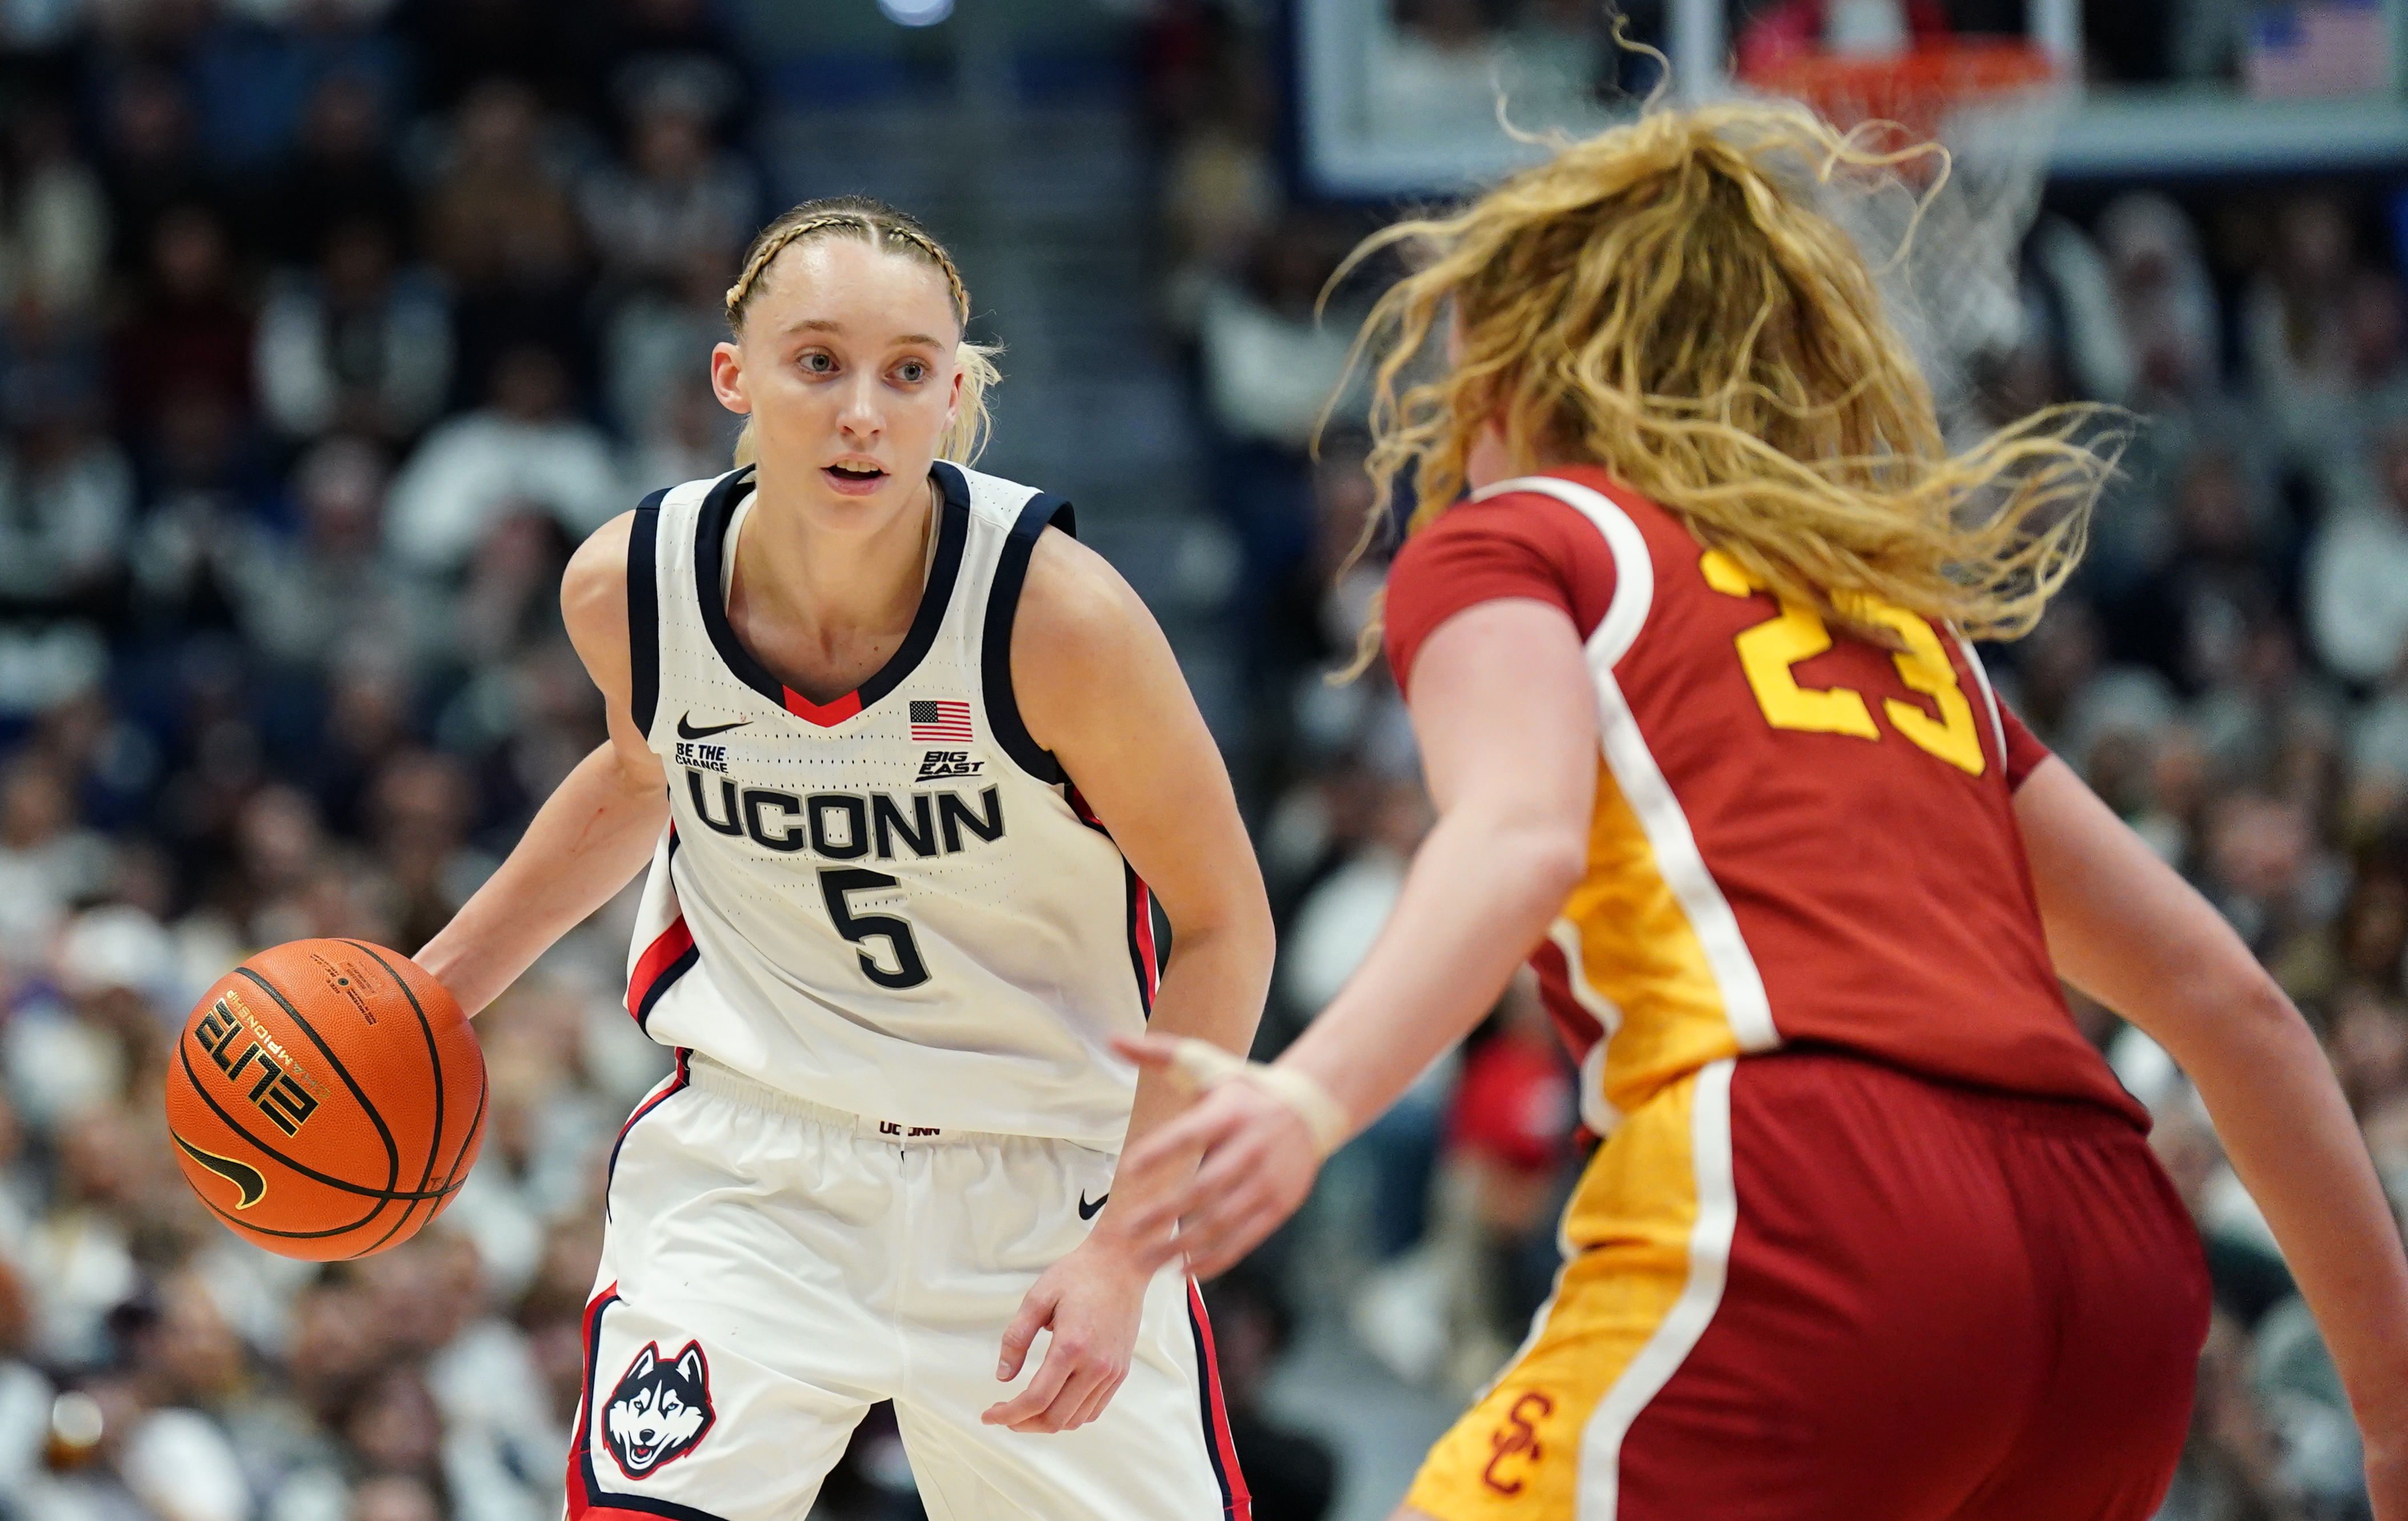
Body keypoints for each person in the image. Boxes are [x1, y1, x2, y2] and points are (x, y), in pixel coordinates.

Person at [1117, 103, 2408, 1520]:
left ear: (1527, 366)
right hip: (2109, 1270)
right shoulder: (1903, 633)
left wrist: (1310, 1096)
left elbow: (1519, 834)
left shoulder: (1530, 534)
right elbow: (2230, 1000)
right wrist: (2393, 1406)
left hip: (1811, 1193)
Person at [416, 197, 1269, 1520]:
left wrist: (1124, 1249)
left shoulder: (1059, 622)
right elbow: (646, 774)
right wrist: (432, 990)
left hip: (1043, 1179)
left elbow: (1226, 925)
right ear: (733, 377)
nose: (861, 409)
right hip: (759, 1168)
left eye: (908, 372)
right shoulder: (628, 588)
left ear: (951, 396)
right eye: (817, 362)